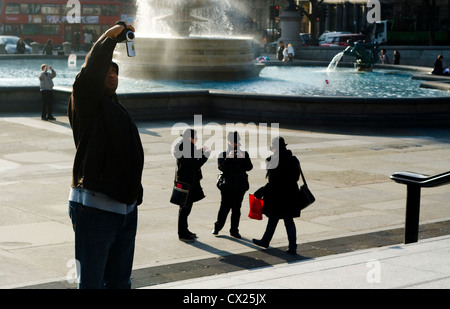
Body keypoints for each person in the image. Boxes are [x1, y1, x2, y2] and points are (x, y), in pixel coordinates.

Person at [67, 22, 144, 289]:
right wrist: (110, 36)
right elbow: (90, 73)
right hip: (95, 207)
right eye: (106, 71)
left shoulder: (114, 105)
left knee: (120, 282)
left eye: (115, 71)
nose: (112, 75)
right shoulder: (87, 103)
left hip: (125, 208)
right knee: (91, 283)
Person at [252, 137, 301, 255]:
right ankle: (292, 247)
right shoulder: (293, 159)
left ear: (274, 148)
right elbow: (295, 178)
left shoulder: (272, 160)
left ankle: (265, 241)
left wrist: (262, 191)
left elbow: (273, 182)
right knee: (288, 221)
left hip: (278, 197)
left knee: (274, 219)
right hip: (290, 195)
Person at [213, 131, 253, 239]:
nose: (234, 144)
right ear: (228, 141)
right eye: (232, 142)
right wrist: (227, 160)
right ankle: (217, 227)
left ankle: (234, 230)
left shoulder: (243, 153)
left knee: (236, 209)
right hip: (227, 186)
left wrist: (243, 158)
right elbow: (221, 168)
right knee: (224, 207)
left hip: (239, 186)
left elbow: (249, 167)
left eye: (236, 142)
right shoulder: (223, 154)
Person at [173, 128, 210, 242]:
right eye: (196, 138)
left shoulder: (185, 145)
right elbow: (194, 164)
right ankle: (182, 233)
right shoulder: (185, 147)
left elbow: (191, 158)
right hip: (187, 182)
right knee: (185, 208)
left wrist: (200, 151)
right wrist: (205, 155)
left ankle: (185, 230)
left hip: (187, 181)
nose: (197, 139)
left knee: (186, 207)